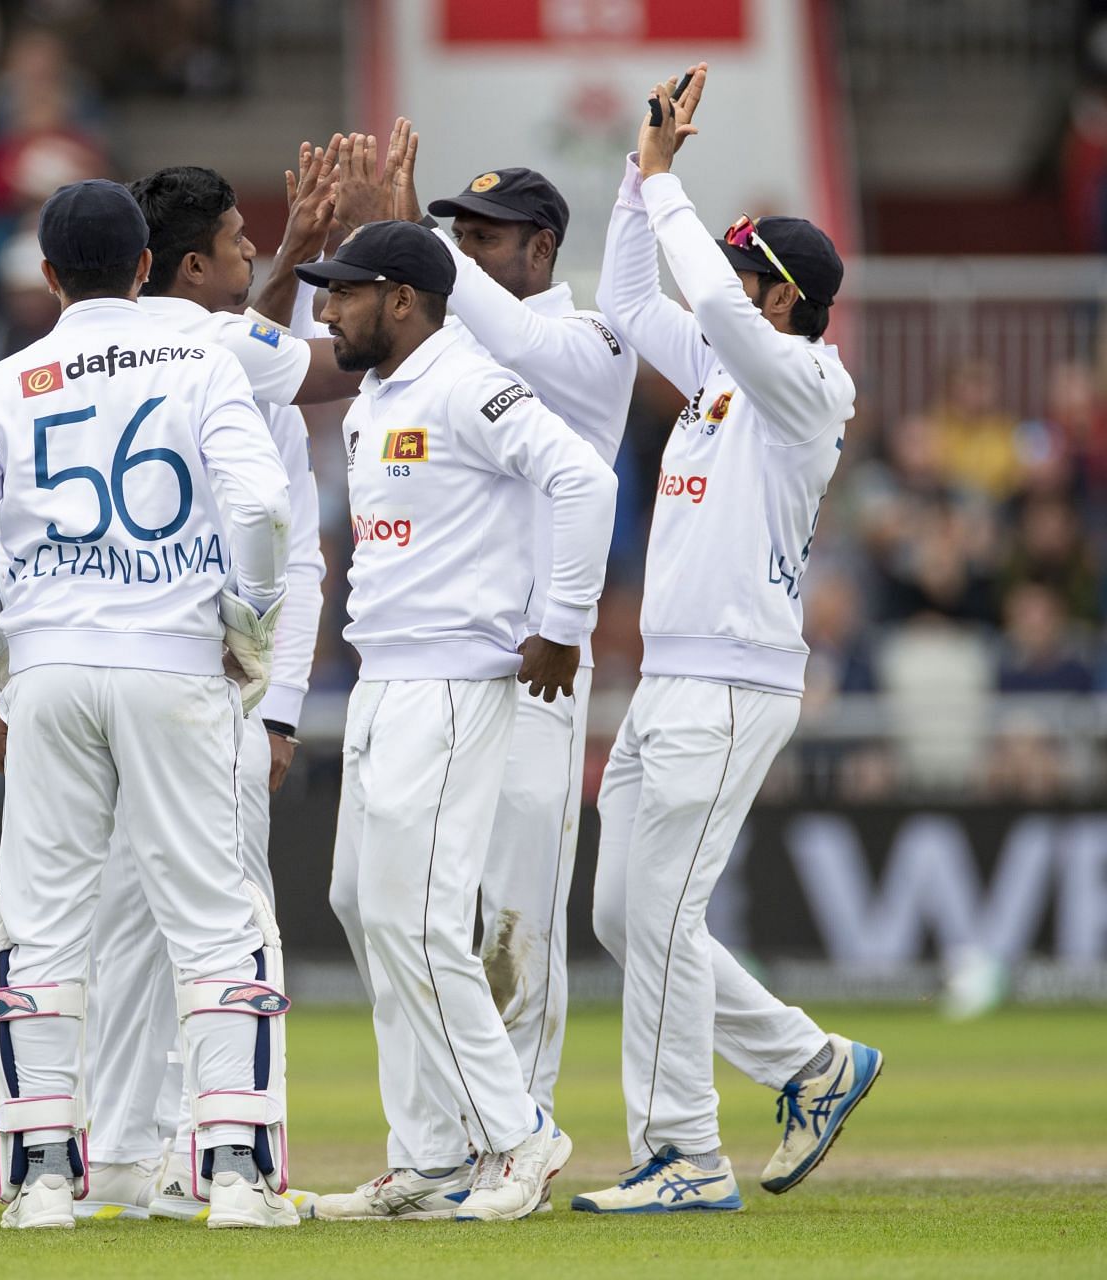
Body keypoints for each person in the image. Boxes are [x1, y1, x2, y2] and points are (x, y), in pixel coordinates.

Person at [0, 178, 299, 1231]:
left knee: (38, 919)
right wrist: (251, 620)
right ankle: (234, 1174)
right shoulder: (204, 360)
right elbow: (262, 503)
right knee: (218, 912)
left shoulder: (0, 382)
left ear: (47, 277)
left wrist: (1, 635)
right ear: (144, 268)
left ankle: (41, 1176)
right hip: (175, 658)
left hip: (49, 668)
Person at [311, 130, 638, 1219]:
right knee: (367, 901)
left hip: (489, 670)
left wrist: (562, 620)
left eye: (345, 292)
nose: (328, 311)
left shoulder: (535, 356)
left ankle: (519, 1132)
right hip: (391, 671)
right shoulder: (391, 382)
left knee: (473, 914)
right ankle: (431, 1146)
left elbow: (585, 478)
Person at [577, 65, 882, 1214]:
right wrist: (635, 171)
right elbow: (626, 301)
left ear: (787, 299)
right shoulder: (722, 371)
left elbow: (700, 295)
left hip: (734, 681)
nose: (735, 288)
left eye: (755, 277)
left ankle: (686, 1155)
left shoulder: (807, 379)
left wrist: (669, 187)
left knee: (661, 914)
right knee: (621, 915)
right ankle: (813, 1062)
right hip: (670, 679)